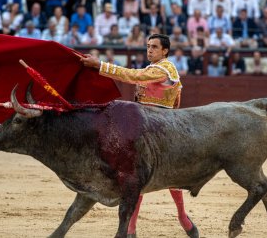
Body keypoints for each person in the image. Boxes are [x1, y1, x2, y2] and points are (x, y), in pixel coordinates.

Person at [80, 33, 198, 238]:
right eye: (148, 46)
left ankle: (182, 217)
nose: (149, 50)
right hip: (147, 128)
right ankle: (134, 229)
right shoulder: (153, 68)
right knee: (137, 178)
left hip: (162, 130)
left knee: (171, 179)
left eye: (154, 47)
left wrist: (100, 65)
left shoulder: (165, 68)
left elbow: (133, 77)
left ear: (165, 51)